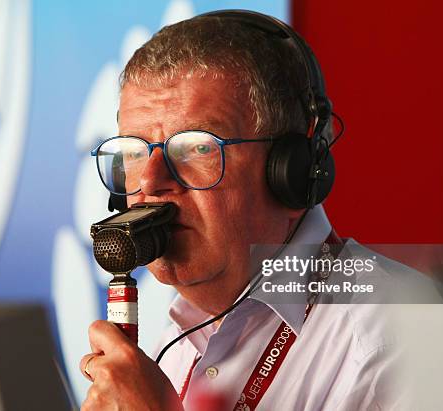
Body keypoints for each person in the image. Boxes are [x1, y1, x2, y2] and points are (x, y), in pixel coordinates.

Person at [79, 11, 403, 411]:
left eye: (197, 147)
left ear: (291, 172)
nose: (149, 182)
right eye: (133, 151)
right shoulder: (177, 342)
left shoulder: (399, 340)